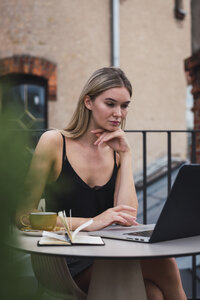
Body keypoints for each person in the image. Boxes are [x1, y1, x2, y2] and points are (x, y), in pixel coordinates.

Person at [17, 67, 186, 300]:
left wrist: (126, 155)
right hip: (62, 260)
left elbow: (127, 215)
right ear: (88, 102)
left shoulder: (116, 151)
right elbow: (23, 216)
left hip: (107, 254)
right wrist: (93, 222)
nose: (119, 113)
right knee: (164, 263)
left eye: (124, 105)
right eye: (110, 104)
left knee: (153, 294)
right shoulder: (54, 142)